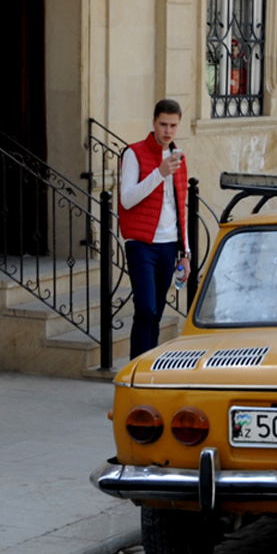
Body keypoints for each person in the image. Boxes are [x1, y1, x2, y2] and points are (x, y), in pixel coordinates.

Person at [119, 99, 191, 359]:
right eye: (163, 124)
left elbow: (180, 207)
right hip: (141, 244)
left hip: (169, 244)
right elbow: (127, 199)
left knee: (157, 314)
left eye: (173, 125)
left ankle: (148, 374)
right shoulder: (133, 153)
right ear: (153, 123)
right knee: (146, 309)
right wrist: (159, 173)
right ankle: (135, 373)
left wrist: (186, 253)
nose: (168, 131)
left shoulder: (179, 156)